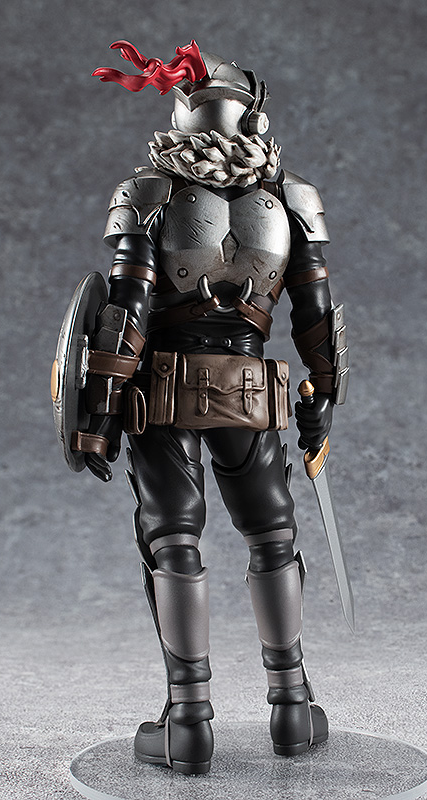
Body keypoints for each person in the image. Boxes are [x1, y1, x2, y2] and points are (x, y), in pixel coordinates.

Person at [72, 40, 348, 774]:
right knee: (272, 535)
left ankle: (188, 722)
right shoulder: (292, 197)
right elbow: (316, 314)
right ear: (253, 116)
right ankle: (292, 707)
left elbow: (126, 311)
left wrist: (97, 413)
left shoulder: (148, 193)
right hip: (251, 392)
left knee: (173, 541)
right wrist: (323, 398)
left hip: (162, 392)